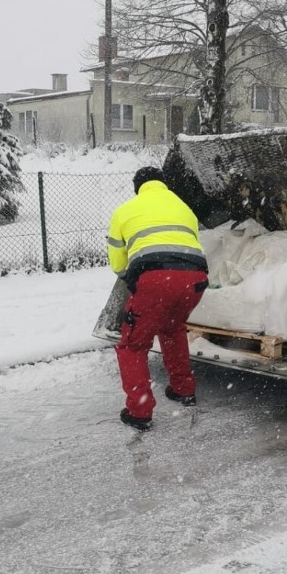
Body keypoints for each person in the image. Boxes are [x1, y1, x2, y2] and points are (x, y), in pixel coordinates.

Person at [107, 166, 209, 431]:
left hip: (154, 279)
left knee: (133, 344)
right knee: (173, 329)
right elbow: (191, 243)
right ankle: (183, 390)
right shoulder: (184, 208)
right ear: (163, 184)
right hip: (195, 278)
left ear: (137, 187)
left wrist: (131, 279)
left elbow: (117, 262)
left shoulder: (125, 211)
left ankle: (139, 412)